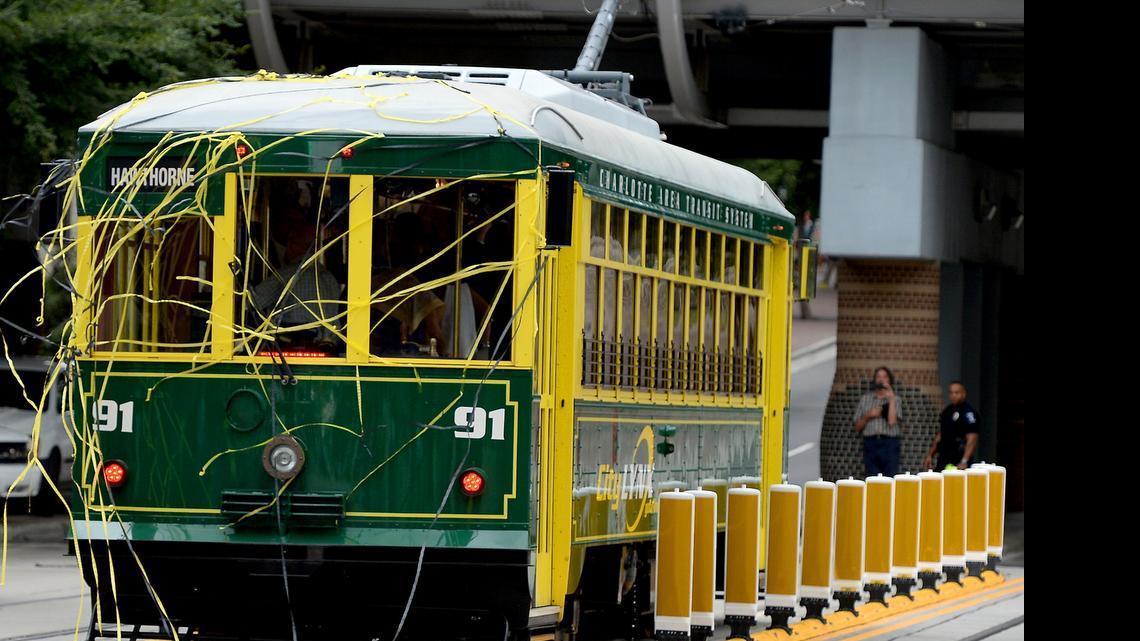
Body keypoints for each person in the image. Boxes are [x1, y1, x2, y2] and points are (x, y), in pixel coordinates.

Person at [252, 207, 343, 350]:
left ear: (292, 245)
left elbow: (253, 302)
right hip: (328, 347)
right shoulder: (329, 277)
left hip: (292, 345)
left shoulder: (288, 274)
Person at [853, 366, 905, 476]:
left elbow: (892, 421)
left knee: (890, 478)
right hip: (870, 442)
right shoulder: (865, 399)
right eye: (878, 377)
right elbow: (857, 427)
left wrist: (891, 399)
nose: (881, 380)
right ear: (874, 380)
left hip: (889, 443)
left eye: (884, 377)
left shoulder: (896, 399)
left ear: (889, 380)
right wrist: (868, 415)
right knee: (871, 478)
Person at [923, 381, 980, 470]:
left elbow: (972, 439)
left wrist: (964, 461)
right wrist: (930, 455)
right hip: (944, 456)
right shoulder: (947, 411)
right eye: (951, 393)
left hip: (959, 458)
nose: (954, 395)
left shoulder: (968, 413)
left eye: (957, 393)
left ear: (963, 393)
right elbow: (940, 435)